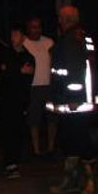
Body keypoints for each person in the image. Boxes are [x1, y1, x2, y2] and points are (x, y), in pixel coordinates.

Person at [46, 6, 98, 194]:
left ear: (66, 19)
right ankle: (72, 181)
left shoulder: (72, 40)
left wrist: (74, 98)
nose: (58, 21)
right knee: (69, 140)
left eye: (60, 17)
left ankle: (88, 182)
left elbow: (75, 71)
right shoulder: (81, 36)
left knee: (80, 140)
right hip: (70, 101)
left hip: (74, 103)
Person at [0, 27, 35, 179]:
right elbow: (0, 75)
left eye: (16, 34)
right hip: (6, 100)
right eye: (11, 34)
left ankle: (16, 161)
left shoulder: (28, 56)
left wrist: (11, 71)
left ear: (23, 37)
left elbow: (28, 76)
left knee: (18, 132)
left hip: (21, 101)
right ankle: (9, 164)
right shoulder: (4, 53)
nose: (13, 37)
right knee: (7, 132)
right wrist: (18, 71)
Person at [22, 17, 57, 158]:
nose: (36, 30)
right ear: (28, 28)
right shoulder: (25, 43)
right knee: (34, 119)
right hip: (33, 87)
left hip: (48, 85)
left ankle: (51, 147)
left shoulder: (48, 42)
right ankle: (36, 149)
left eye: (38, 27)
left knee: (52, 118)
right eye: (33, 27)